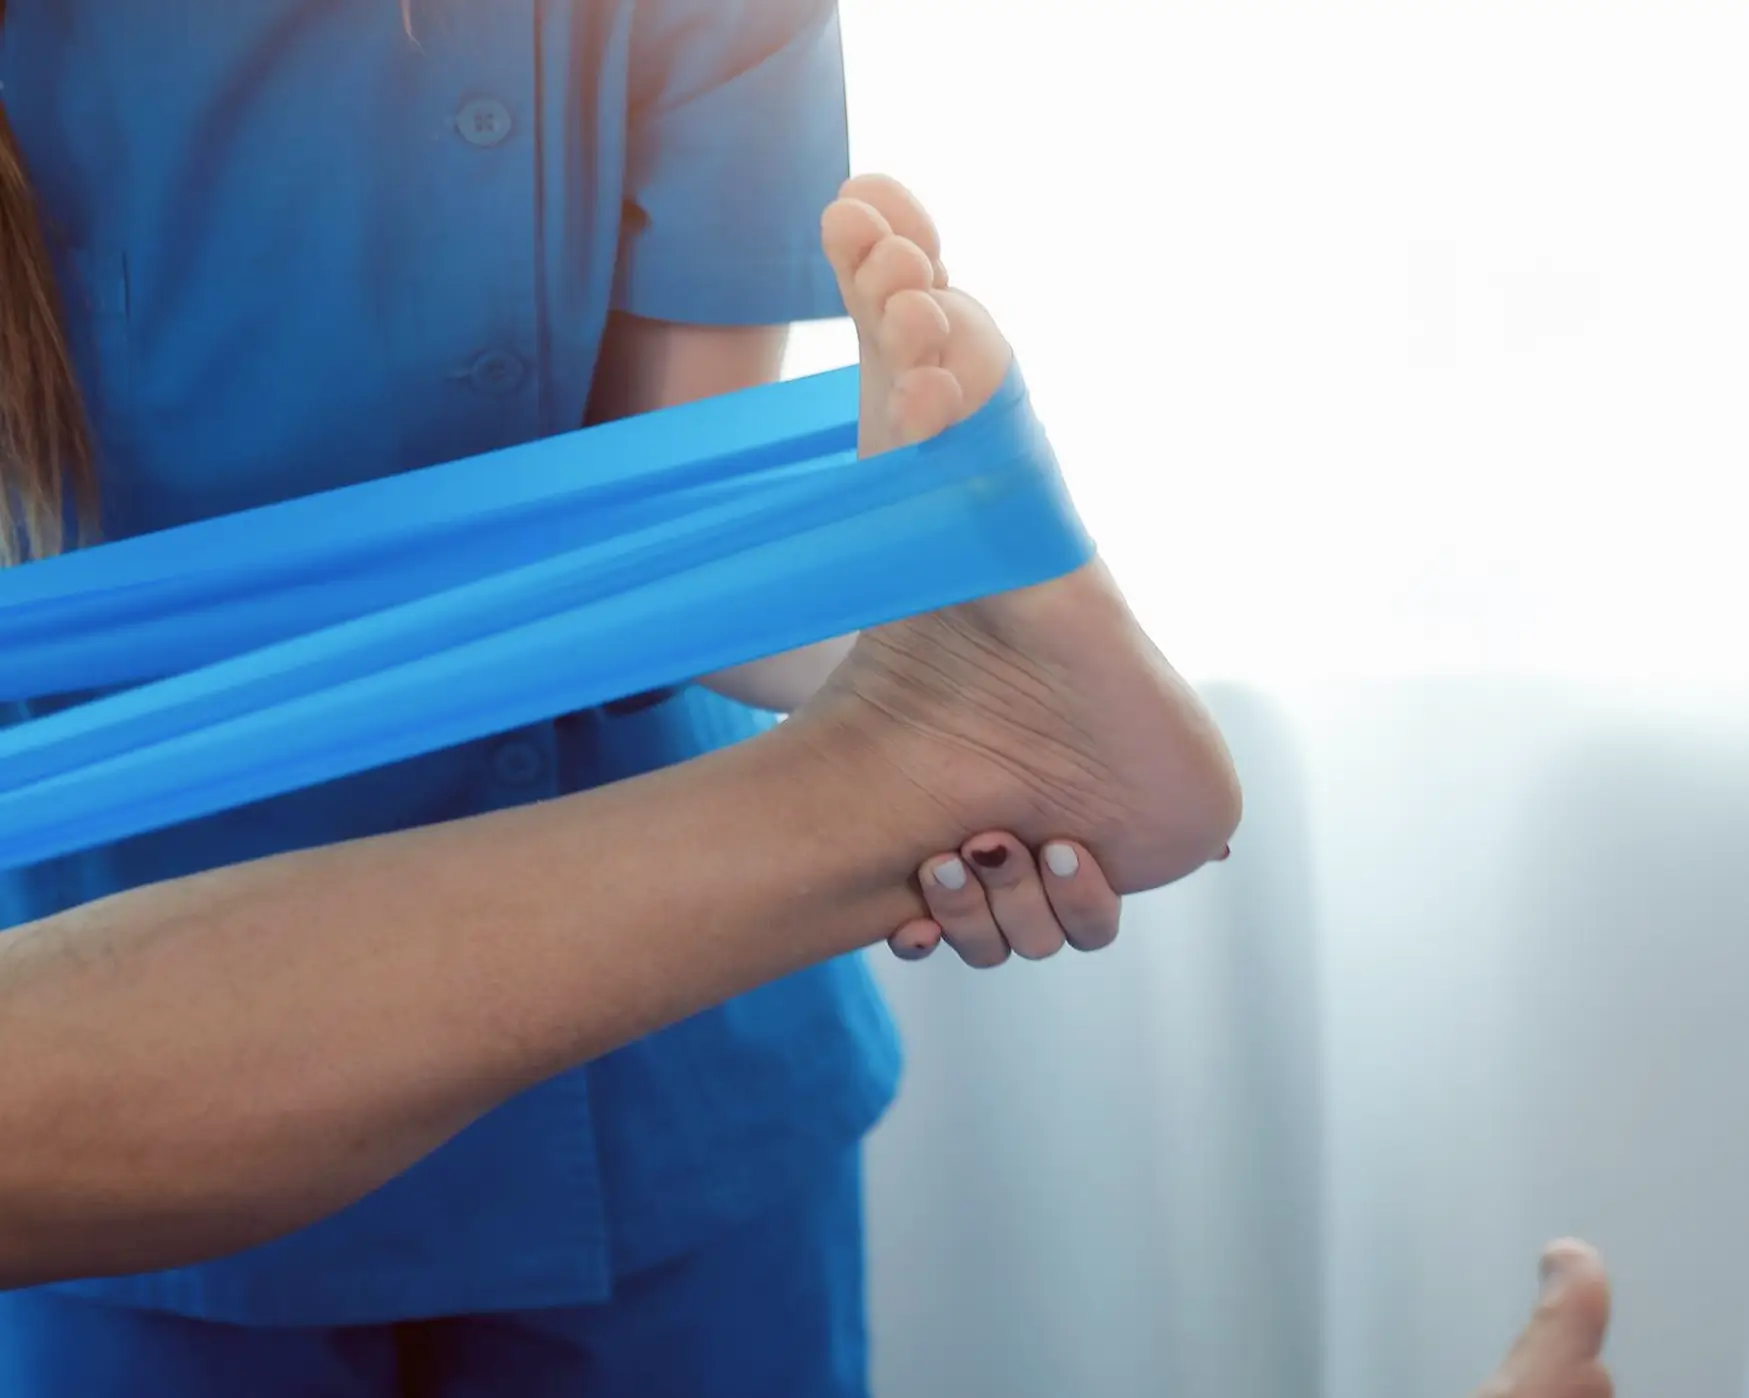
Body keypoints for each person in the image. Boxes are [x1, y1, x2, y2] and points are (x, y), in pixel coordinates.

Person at [0, 3, 1170, 1395]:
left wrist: (922, 662)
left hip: (659, 1062)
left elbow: (666, 572)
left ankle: (991, 709)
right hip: (122, 1045)